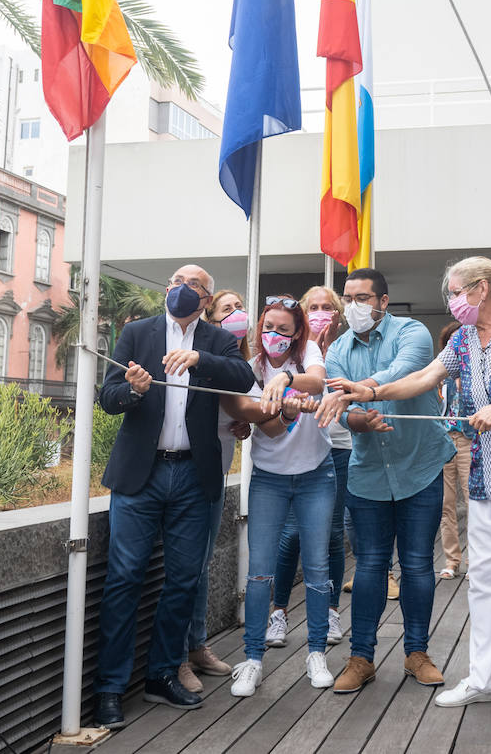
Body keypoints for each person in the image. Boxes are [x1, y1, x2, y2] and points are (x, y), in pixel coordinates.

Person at [333, 259, 491, 724]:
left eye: (457, 292)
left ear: (482, 289)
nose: (452, 302)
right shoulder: (461, 339)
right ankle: (484, 677)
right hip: (485, 470)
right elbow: (423, 379)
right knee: (485, 578)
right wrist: (369, 393)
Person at [92, 264, 255, 730]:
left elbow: (242, 377)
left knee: (184, 580)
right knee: (124, 578)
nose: (181, 290)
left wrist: (199, 359)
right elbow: (107, 397)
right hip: (140, 476)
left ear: (206, 300)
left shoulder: (217, 339)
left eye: (192, 285)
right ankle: (110, 688)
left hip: (193, 476)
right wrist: (133, 391)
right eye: (175, 282)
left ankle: (161, 675)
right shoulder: (137, 333)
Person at [317, 267, 454, 696]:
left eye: (362, 298)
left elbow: (405, 371)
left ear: (382, 302)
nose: (353, 306)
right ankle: (361, 658)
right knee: (370, 566)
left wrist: (362, 390)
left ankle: (418, 654)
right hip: (369, 472)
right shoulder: (338, 350)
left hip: (420, 466)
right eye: (348, 298)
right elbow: (343, 413)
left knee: (417, 564)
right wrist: (358, 419)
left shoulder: (412, 332)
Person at [225, 296, 336, 698]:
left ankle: (317, 653)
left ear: (297, 333)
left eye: (284, 329)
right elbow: (269, 431)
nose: (274, 335)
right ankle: (252, 659)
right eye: (268, 327)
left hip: (316, 475)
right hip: (269, 479)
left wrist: (286, 380)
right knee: (259, 571)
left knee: (318, 568)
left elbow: (318, 382)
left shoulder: (308, 355)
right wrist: (286, 413)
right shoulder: (251, 367)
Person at [266, 286, 352, 647]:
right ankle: (279, 612)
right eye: (313, 307)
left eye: (327, 307)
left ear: (338, 314)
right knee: (290, 535)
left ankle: (330, 611)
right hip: (297, 449)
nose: (320, 313)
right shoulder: (295, 349)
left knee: (332, 534)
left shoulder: (347, 348)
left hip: (339, 447)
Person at [177, 290, 252, 694]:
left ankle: (197, 645)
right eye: (228, 308)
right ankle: (179, 654)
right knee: (186, 566)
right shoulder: (199, 355)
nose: (237, 313)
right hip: (183, 468)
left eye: (240, 307)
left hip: (216, 470)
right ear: (210, 316)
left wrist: (245, 425)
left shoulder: (241, 363)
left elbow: (241, 408)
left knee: (202, 563)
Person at [437, 320, 473, 580]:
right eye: (451, 341)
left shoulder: (476, 372)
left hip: (469, 440)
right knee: (445, 504)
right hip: (444, 440)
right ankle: (452, 560)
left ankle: (475, 560)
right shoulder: (440, 376)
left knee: (474, 503)